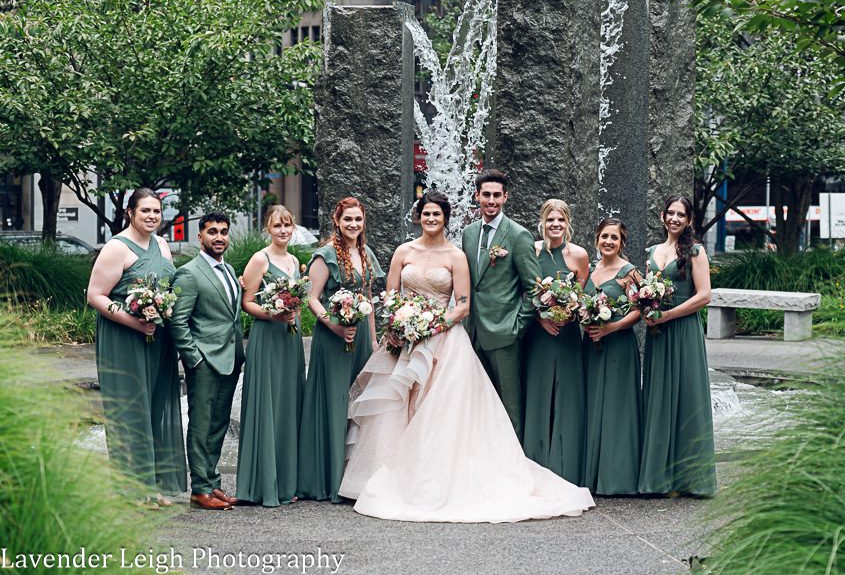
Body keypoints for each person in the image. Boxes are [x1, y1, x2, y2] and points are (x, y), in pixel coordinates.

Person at [339, 191, 594, 522]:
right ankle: (393, 471)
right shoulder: (404, 252)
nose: (431, 219)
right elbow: (389, 296)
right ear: (418, 217)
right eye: (426, 214)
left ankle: (436, 473)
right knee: (400, 404)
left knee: (439, 408)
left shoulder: (456, 255)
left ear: (446, 219)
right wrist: (400, 323)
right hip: (406, 337)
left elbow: (462, 304)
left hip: (443, 338)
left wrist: (432, 324)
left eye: (437, 215)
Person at [87, 188, 186, 506]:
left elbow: (168, 289)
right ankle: (133, 487)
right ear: (130, 212)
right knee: (131, 410)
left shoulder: (162, 244)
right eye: (145, 210)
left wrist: (163, 311)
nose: (152, 216)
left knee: (155, 407)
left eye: (157, 211)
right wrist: (134, 321)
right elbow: (96, 296)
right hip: (124, 337)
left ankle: (152, 482)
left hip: (158, 338)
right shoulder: (116, 248)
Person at [297, 197, 383, 502]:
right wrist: (333, 324)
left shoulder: (365, 252)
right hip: (333, 336)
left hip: (360, 336)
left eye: (358, 220)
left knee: (357, 403)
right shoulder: (325, 255)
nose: (353, 225)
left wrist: (373, 340)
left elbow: (369, 297)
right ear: (337, 220)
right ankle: (328, 479)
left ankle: (354, 476)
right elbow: (312, 297)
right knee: (334, 402)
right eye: (348, 219)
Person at [639, 196, 717, 496]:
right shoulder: (651, 252)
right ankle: (659, 478)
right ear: (662, 216)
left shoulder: (695, 252)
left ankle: (691, 480)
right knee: (659, 398)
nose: (674, 219)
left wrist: (668, 314)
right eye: (670, 213)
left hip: (683, 330)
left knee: (687, 398)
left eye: (680, 215)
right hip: (659, 335)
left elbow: (704, 296)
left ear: (689, 220)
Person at [169, 212, 245, 510]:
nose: (219, 237)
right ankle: (199, 489)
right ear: (200, 236)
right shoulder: (189, 272)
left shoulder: (229, 270)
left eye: (224, 232)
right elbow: (178, 321)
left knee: (219, 424)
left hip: (230, 359)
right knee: (201, 426)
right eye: (212, 231)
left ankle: (213, 484)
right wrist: (194, 359)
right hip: (204, 361)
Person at [461, 170, 541, 441]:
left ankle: (513, 468)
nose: (491, 200)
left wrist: (516, 327)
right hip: (472, 334)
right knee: (478, 404)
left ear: (505, 197)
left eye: (497, 195)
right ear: (477, 197)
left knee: (509, 408)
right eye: (486, 195)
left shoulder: (518, 235)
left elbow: (534, 288)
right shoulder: (469, 234)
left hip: (504, 334)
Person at [235, 205, 306, 507]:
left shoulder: (295, 261)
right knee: (268, 403)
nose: (283, 231)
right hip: (268, 336)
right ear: (268, 228)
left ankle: (287, 481)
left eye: (287, 225)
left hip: (290, 339)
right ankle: (262, 484)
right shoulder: (259, 259)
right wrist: (273, 314)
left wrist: (291, 314)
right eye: (277, 225)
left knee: (288, 403)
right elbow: (246, 302)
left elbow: (300, 301)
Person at [522, 199, 589, 484]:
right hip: (538, 333)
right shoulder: (532, 251)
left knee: (567, 394)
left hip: (567, 334)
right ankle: (533, 461)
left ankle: (566, 463)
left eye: (561, 220)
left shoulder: (579, 255)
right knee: (537, 392)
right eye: (551, 220)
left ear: (568, 223)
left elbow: (582, 293)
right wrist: (541, 318)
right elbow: (523, 290)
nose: (555, 225)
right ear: (542, 222)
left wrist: (568, 312)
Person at [582, 218, 642, 495]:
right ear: (597, 239)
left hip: (618, 345)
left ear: (622, 242)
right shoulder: (589, 271)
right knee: (594, 405)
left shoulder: (629, 273)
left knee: (618, 409)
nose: (608, 242)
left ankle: (618, 476)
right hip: (592, 347)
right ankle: (593, 475)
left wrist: (612, 327)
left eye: (614, 238)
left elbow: (640, 309)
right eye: (604, 236)